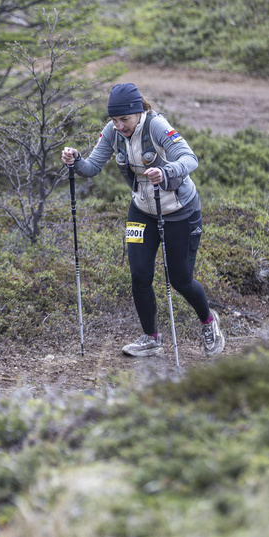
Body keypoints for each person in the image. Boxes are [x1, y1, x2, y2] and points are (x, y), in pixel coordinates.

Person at [62, 82, 225, 357]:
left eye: (124, 119)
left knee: (181, 280)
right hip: (141, 210)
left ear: (138, 112)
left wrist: (167, 171)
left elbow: (190, 158)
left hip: (180, 211)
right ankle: (151, 338)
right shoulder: (112, 131)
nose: (119, 125)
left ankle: (209, 322)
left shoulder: (157, 126)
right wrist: (75, 160)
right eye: (114, 119)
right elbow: (91, 167)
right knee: (139, 275)